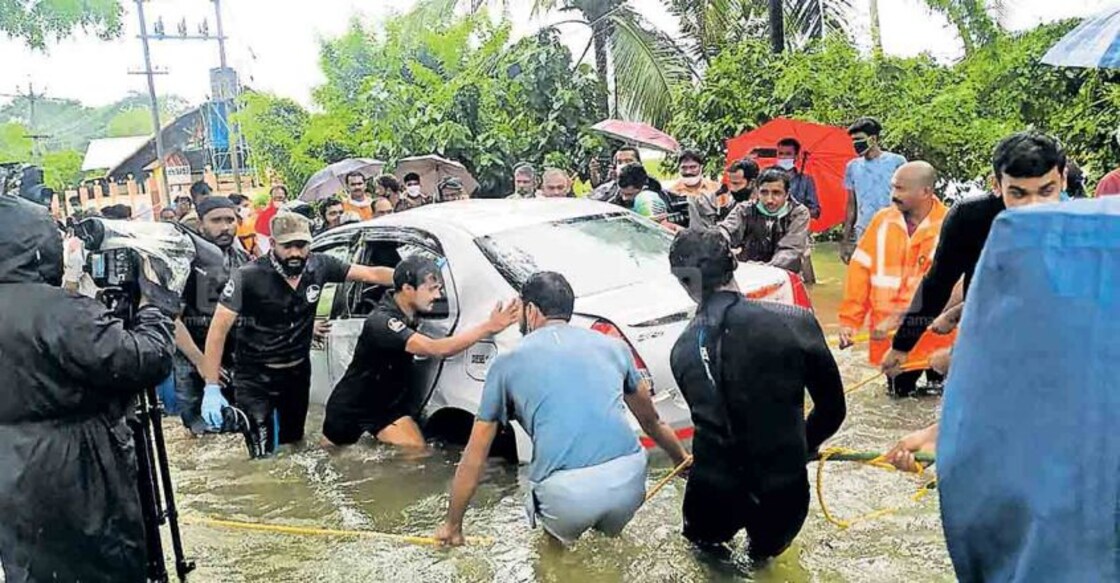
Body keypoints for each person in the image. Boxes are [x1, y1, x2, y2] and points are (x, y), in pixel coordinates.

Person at [434, 272, 690, 546]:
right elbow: (652, 422)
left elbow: (475, 455)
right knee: (612, 551)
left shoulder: (506, 364)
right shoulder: (614, 347)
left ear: (531, 311)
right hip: (629, 481)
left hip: (566, 497)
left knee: (553, 558)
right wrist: (682, 459)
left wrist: (453, 526)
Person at [0, 193, 175, 581]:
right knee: (105, 564)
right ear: (35, 246)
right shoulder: (58, 310)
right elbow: (143, 360)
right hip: (77, 468)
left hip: (11, 469)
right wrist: (154, 307)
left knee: (32, 568)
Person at [667, 228, 845, 562]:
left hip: (712, 488)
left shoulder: (681, 350)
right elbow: (832, 411)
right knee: (763, 564)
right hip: (781, 486)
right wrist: (802, 447)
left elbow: (719, 418)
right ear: (734, 263)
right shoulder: (795, 322)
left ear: (683, 282)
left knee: (710, 562)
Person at [202, 213, 394, 458]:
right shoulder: (248, 276)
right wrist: (211, 386)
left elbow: (372, 274)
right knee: (262, 455)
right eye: (287, 246)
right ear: (273, 244)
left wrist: (414, 276)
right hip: (255, 379)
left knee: (295, 444)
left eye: (301, 246)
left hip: (296, 374)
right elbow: (218, 330)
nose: (295, 253)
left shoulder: (320, 266)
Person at [881, 131, 1066, 379]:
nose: (1033, 206)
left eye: (1046, 191)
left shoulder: (1083, 227)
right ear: (996, 185)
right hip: (984, 335)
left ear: (1063, 179)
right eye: (1018, 193)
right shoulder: (970, 219)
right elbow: (938, 283)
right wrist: (902, 346)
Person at [323, 257, 520, 449]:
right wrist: (489, 327)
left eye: (439, 288)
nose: (438, 295)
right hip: (353, 406)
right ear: (408, 289)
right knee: (333, 456)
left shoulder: (411, 309)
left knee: (416, 451)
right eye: (431, 289)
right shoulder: (382, 322)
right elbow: (437, 349)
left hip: (386, 408)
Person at [838, 162, 955, 397]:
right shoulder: (882, 222)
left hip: (937, 339)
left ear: (925, 191)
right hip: (893, 342)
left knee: (939, 400)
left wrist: (897, 320)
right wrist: (850, 322)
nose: (893, 194)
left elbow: (957, 286)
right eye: (893, 187)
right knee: (898, 399)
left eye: (900, 189)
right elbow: (860, 273)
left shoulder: (951, 225)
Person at [174, 197, 252, 435]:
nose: (225, 226)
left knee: (241, 431)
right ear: (200, 224)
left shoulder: (242, 259)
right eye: (216, 220)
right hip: (194, 361)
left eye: (230, 220)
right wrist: (204, 364)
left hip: (234, 361)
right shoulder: (185, 263)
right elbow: (171, 320)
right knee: (204, 437)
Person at [718, 168, 811, 272]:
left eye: (776, 193)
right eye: (764, 193)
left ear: (787, 194)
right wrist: (720, 243)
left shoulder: (798, 213)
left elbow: (790, 249)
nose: (769, 200)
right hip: (750, 270)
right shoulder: (744, 210)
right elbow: (725, 230)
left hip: (787, 273)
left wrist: (766, 268)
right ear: (757, 192)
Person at [842, 117, 907, 263]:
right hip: (864, 230)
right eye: (853, 141)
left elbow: (908, 197)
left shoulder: (897, 162)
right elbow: (851, 204)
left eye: (859, 139)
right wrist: (846, 240)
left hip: (894, 228)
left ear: (873, 139)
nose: (855, 144)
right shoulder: (852, 167)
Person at [690, 158, 759, 229]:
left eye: (736, 183)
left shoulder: (761, 207)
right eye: (730, 183)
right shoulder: (730, 202)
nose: (731, 188)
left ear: (752, 183)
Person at [776, 138, 821, 219]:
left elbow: (816, 211)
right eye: (781, 153)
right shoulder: (768, 177)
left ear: (796, 156)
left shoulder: (806, 181)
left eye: (788, 154)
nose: (784, 157)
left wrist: (798, 212)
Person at [254, 185, 289, 254]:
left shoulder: (292, 211)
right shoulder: (264, 215)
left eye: (280, 198)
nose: (278, 200)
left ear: (286, 197)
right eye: (275, 198)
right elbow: (262, 242)